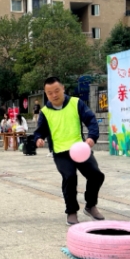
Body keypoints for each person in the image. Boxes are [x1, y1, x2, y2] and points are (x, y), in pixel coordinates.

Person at [34, 77, 106, 226]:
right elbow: (39, 131)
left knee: (96, 175)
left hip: (79, 148)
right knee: (70, 177)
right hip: (61, 152)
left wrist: (92, 137)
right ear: (46, 95)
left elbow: (91, 120)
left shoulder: (76, 103)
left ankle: (90, 205)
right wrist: (38, 138)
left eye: (56, 91)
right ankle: (71, 211)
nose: (54, 95)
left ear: (63, 89)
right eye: (49, 93)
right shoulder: (45, 112)